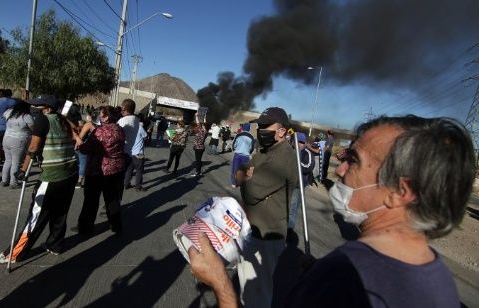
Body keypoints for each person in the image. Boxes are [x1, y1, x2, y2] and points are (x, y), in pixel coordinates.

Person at [189, 115, 475, 308]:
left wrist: (221, 284)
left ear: (402, 191)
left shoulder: (346, 277)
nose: (339, 171)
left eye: (354, 161)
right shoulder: (436, 277)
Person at [0, 95, 79, 263]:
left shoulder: (43, 120)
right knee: (60, 211)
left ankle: (12, 255)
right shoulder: (63, 120)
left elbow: (34, 147)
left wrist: (23, 170)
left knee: (36, 216)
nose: (35, 108)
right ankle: (55, 244)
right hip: (70, 172)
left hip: (52, 175)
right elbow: (75, 135)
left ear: (48, 108)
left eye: (39, 105)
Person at [233, 107, 298, 307]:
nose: (261, 130)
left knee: (257, 292)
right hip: (252, 230)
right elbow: (239, 173)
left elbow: (252, 193)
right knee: (247, 287)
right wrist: (246, 176)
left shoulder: (284, 157)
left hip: (266, 236)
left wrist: (246, 177)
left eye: (265, 126)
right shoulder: (265, 151)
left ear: (282, 131)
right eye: (259, 126)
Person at [76, 106, 125, 235]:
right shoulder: (119, 130)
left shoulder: (100, 132)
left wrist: (77, 139)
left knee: (91, 201)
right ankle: (116, 226)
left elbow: (84, 149)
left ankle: (85, 228)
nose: (99, 116)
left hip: (98, 171)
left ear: (106, 117)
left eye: (101, 114)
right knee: (112, 200)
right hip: (115, 169)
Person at [1, 101, 34, 189]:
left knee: (8, 160)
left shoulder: (9, 112)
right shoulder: (26, 116)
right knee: (16, 162)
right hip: (18, 140)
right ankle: (13, 182)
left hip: (6, 138)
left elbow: (4, 116)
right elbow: (33, 128)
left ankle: (4, 180)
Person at [287, 132, 314, 238]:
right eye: (297, 142)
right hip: (287, 183)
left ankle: (288, 232)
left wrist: (295, 160)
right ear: (293, 142)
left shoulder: (307, 153)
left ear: (305, 143)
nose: (299, 144)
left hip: (298, 186)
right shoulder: (289, 151)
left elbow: (308, 167)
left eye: (302, 142)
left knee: (292, 210)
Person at [117, 99, 139, 190]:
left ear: (124, 107)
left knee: (117, 181)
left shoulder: (123, 120)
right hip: (130, 152)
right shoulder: (136, 119)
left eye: (121, 106)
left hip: (122, 153)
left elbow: (114, 133)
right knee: (122, 180)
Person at [124, 117, 147, 191]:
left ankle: (126, 184)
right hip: (139, 153)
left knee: (129, 170)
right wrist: (142, 126)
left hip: (130, 152)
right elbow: (145, 137)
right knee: (139, 170)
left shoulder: (129, 128)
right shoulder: (140, 128)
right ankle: (138, 186)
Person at [230, 122, 254, 188]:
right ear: (249, 129)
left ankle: (234, 183)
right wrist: (249, 152)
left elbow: (234, 144)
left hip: (238, 155)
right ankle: (243, 183)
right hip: (246, 156)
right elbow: (252, 147)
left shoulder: (238, 135)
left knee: (235, 169)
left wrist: (234, 149)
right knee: (244, 170)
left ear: (243, 128)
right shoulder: (251, 137)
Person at [191, 113, 207, 177]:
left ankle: (197, 172)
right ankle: (199, 171)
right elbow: (203, 125)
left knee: (198, 161)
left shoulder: (197, 131)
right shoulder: (205, 132)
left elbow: (199, 124)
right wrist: (204, 117)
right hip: (202, 148)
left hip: (197, 148)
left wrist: (196, 116)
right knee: (199, 160)